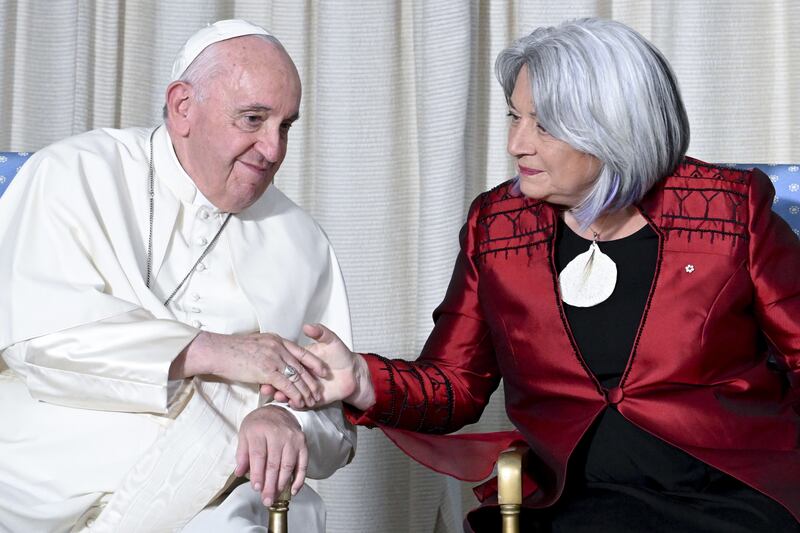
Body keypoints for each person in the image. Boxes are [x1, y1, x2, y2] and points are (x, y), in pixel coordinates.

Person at [286, 18, 800, 532]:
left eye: (543, 125)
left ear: (615, 126)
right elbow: (458, 383)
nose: (515, 143)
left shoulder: (727, 211)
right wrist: (361, 380)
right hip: (572, 502)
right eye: (514, 116)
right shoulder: (496, 229)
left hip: (730, 497)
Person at [0, 20, 355, 532]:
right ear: (183, 106)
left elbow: (331, 417)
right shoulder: (74, 174)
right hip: (48, 458)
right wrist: (210, 351)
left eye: (286, 125)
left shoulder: (301, 240)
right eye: (253, 119)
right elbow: (34, 339)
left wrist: (284, 419)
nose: (274, 150)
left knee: (241, 519)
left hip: (227, 480)